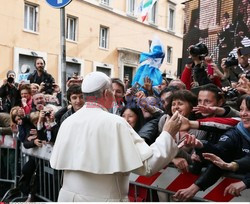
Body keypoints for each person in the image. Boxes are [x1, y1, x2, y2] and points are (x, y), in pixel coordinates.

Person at [50, 71, 182, 202]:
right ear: (106, 94)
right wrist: (167, 134)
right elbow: (148, 166)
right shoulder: (115, 123)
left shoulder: (68, 121)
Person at [173, 94, 250, 201]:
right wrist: (201, 145)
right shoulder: (235, 133)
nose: (244, 114)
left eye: (249, 110)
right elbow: (220, 155)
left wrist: (245, 182)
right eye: (241, 109)